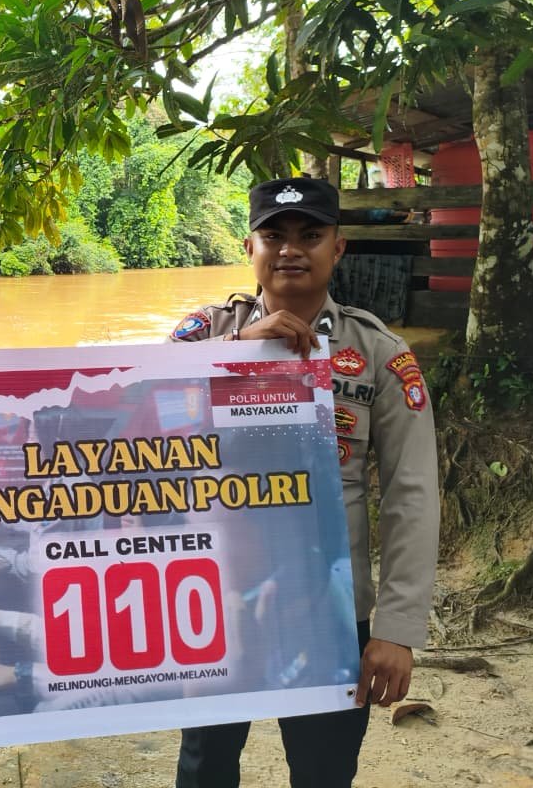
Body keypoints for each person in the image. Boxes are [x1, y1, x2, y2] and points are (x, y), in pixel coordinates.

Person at [166, 175, 439, 788]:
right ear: (249, 248)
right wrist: (235, 353)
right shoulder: (204, 336)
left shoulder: (379, 353)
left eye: (310, 235)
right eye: (274, 235)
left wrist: (396, 628)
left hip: (331, 610)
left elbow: (412, 493)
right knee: (205, 766)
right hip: (217, 600)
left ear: (337, 248)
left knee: (324, 771)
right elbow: (136, 416)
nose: (290, 249)